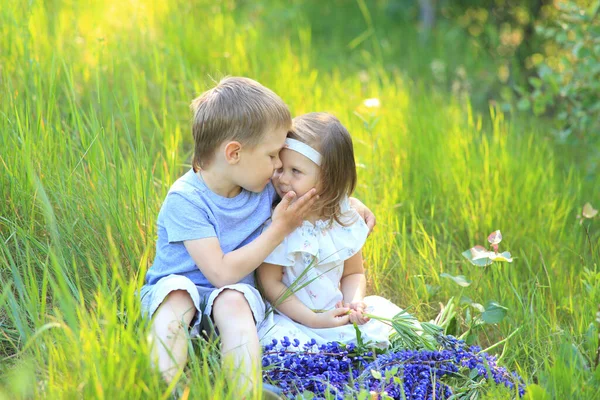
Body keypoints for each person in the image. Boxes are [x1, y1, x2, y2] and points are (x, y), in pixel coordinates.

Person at [139, 78, 375, 396]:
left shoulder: (260, 184)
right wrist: (279, 229)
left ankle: (244, 392)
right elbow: (220, 272)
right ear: (234, 153)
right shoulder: (186, 200)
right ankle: (164, 388)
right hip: (182, 287)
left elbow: (313, 193)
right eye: (272, 155)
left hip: (234, 299)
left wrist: (351, 204)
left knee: (234, 299)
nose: (279, 167)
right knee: (177, 299)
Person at [257, 112, 401, 349]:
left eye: (296, 171)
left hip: (335, 312)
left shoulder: (342, 219)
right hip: (293, 318)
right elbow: (270, 284)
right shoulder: (279, 222)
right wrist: (313, 319)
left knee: (384, 323)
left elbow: (352, 273)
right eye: (281, 168)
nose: (282, 179)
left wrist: (354, 302)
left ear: (328, 179)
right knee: (287, 345)